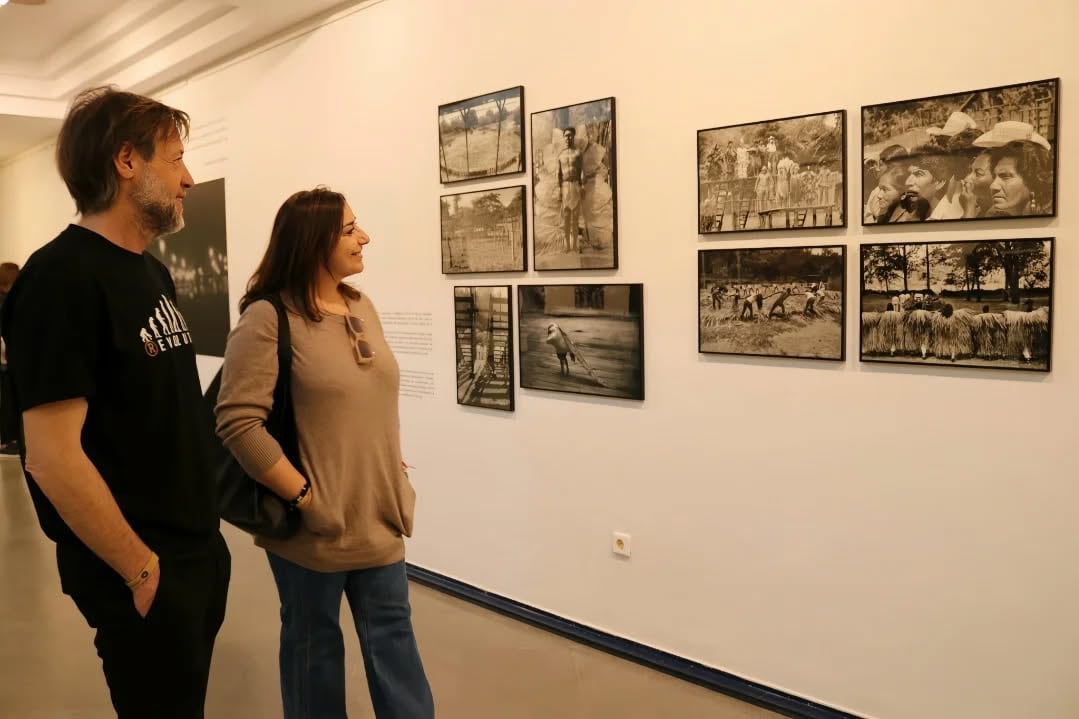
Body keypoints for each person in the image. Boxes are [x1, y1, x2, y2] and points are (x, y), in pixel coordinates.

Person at [0, 86, 229, 718]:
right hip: (142, 568)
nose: (188, 179)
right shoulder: (60, 279)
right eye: (175, 159)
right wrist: (141, 572)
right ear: (127, 162)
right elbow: (50, 456)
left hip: (195, 553)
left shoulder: (150, 271)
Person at [214, 187, 434, 719]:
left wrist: (390, 469)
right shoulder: (269, 319)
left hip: (379, 516)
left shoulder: (361, 306)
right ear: (314, 242)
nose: (364, 237)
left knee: (395, 646)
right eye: (349, 230)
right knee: (313, 650)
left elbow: (369, 400)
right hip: (312, 526)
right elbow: (238, 422)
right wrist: (306, 495)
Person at [0, 261, 21, 455]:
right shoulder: (9, 302)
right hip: (8, 361)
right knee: (8, 401)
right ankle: (9, 439)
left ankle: (7, 439)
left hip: (5, 361)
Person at [557, 126, 584, 253]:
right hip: (565, 186)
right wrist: (559, 190)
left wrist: (582, 185)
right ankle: (567, 245)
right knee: (566, 217)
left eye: (570, 135)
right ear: (563, 138)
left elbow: (581, 171)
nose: (568, 138)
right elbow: (559, 174)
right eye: (566, 135)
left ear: (574, 136)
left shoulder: (578, 153)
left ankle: (575, 245)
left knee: (575, 217)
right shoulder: (561, 155)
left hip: (575, 185)